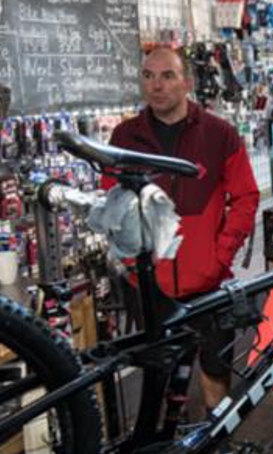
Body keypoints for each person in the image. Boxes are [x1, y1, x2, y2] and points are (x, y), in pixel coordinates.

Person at [107, 44, 260, 411]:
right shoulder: (124, 138)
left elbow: (245, 197)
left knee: (214, 369)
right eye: (148, 76)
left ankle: (215, 444)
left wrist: (219, 256)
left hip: (208, 282)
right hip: (146, 283)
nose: (156, 86)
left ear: (187, 83)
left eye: (167, 76)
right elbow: (112, 203)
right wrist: (132, 265)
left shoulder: (219, 134)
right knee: (157, 373)